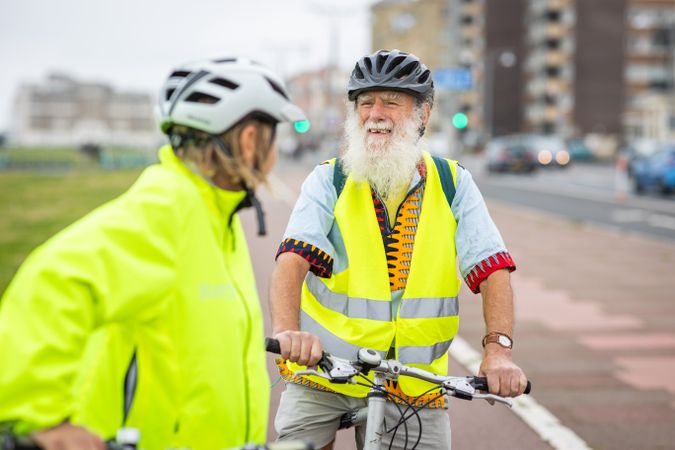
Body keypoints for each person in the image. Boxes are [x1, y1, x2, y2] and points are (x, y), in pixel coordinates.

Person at [0, 58, 307, 450]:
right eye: (273, 137)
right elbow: (51, 283)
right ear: (249, 140)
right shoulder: (167, 208)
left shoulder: (214, 214)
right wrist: (43, 418)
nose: (276, 152)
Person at [269, 49, 528, 450]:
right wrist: (287, 332)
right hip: (322, 370)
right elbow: (293, 259)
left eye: (391, 102)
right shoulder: (329, 180)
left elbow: (493, 268)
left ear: (422, 116)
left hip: (414, 382)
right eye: (366, 103)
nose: (376, 114)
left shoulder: (453, 182)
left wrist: (498, 351)